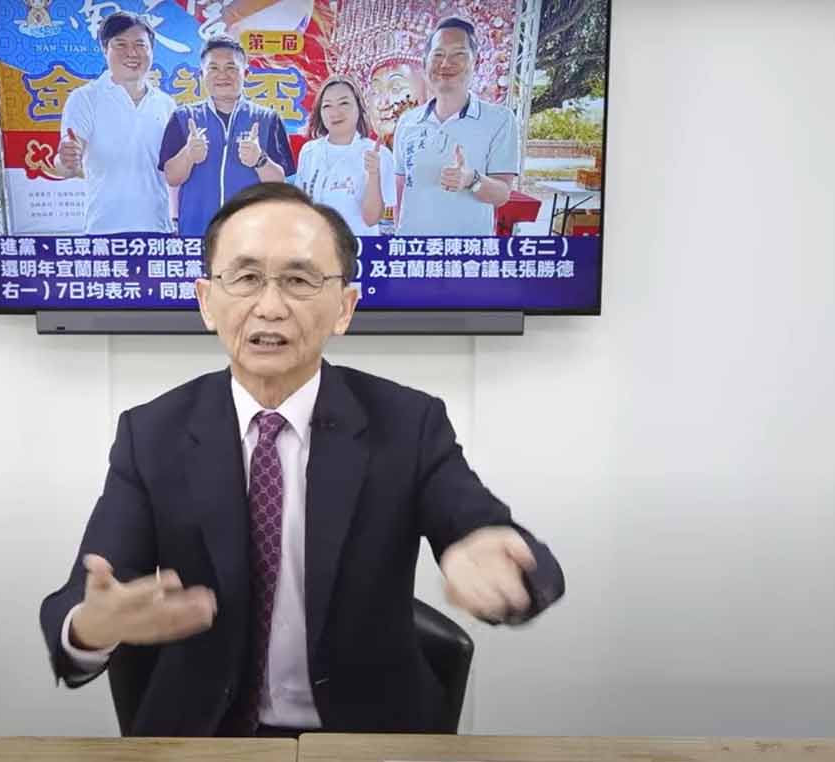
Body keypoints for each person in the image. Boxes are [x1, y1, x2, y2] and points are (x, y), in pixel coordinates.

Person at [38, 183, 565, 737]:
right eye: (245, 278)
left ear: (344, 308)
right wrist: (91, 628)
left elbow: (499, 539)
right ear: (206, 301)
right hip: (205, 739)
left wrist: (509, 567)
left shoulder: (408, 424)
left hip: (367, 740)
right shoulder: (151, 434)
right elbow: (81, 598)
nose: (269, 307)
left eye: (299, 280)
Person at [159, 35, 296, 236]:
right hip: (197, 233)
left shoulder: (268, 119)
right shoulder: (182, 117)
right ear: (202, 74)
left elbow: (279, 185)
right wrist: (188, 155)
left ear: (245, 73)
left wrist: (259, 160)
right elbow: (171, 177)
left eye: (231, 67)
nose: (222, 75)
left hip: (251, 235)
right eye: (213, 68)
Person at [393, 17, 518, 236]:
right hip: (413, 249)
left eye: (458, 54)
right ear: (425, 63)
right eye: (438, 54)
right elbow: (401, 188)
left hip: (465, 251)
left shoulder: (500, 120)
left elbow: (502, 194)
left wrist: (471, 180)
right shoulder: (407, 122)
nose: (445, 64)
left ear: (476, 62)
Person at [53, 12, 176, 234]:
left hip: (158, 229)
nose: (132, 53)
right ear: (104, 49)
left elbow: (174, 171)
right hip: (104, 230)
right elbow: (65, 166)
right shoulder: (85, 98)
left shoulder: (166, 104)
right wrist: (66, 159)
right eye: (120, 44)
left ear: (151, 50)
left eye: (140, 45)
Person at [294, 75, 396, 235]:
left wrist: (373, 174)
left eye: (344, 103)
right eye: (327, 106)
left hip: (357, 247)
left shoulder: (379, 155)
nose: (335, 112)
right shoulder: (309, 152)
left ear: (359, 108)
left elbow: (371, 219)